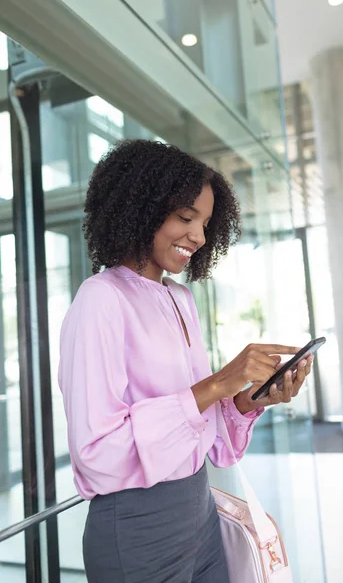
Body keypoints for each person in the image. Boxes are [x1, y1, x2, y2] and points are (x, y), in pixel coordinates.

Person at [58, 139, 313, 583]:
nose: (198, 236)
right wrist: (218, 382)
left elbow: (206, 432)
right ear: (141, 208)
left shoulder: (180, 298)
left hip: (201, 514)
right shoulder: (100, 299)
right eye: (185, 217)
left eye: (207, 222)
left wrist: (251, 400)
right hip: (137, 527)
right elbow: (96, 451)